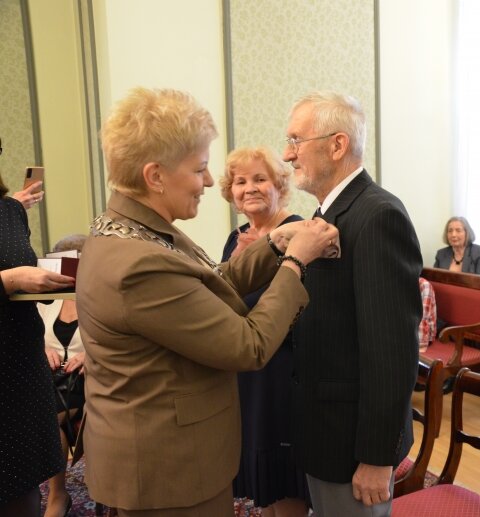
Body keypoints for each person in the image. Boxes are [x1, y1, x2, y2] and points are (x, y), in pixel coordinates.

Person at [75, 87, 338, 516]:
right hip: (169, 474)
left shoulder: (134, 229)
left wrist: (272, 244)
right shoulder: (138, 265)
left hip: (166, 456)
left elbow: (209, 283)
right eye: (200, 169)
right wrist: (294, 263)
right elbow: (246, 345)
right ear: (155, 176)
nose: (212, 182)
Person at [282, 91, 422, 516]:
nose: (287, 155)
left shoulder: (377, 215)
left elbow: (391, 351)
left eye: (295, 141)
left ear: (337, 144)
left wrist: (377, 457)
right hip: (323, 429)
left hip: (353, 442)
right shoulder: (330, 213)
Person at [218, 147, 308, 516]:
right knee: (262, 489)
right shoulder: (235, 237)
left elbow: (305, 306)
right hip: (246, 375)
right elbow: (222, 300)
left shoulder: (298, 231)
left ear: (279, 186)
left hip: (283, 374)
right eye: (240, 181)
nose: (249, 188)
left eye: (260, 179)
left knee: (284, 481)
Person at [0, 171, 75, 517]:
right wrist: (11, 279)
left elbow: (20, 271)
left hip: (21, 367)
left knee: (22, 485)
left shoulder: (10, 211)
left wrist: (43, 283)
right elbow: (12, 275)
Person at [39, 234, 88, 517]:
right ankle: (58, 494)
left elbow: (117, 341)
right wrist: (42, 347)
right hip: (53, 380)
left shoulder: (102, 302)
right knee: (46, 413)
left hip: (90, 379)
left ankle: (58, 497)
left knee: (43, 415)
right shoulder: (44, 301)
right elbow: (31, 336)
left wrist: (90, 354)